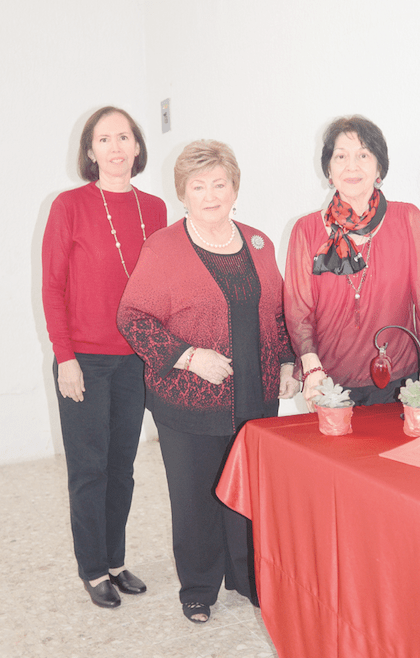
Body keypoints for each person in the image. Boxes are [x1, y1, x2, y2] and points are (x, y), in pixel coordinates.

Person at [117, 139, 299, 623]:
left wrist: (287, 363)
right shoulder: (164, 248)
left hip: (256, 396)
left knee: (250, 492)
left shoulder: (259, 243)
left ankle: (248, 577)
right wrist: (189, 356)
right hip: (190, 401)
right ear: (183, 193)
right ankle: (198, 588)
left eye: (220, 184)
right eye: (198, 186)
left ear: (235, 188)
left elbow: (277, 312)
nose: (211, 195)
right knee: (195, 496)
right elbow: (133, 317)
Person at [42, 106, 167, 608]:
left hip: (134, 361)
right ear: (90, 152)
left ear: (137, 147)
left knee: (122, 468)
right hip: (84, 361)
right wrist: (65, 357)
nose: (115, 147)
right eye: (104, 139)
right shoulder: (69, 205)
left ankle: (115, 561)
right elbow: (52, 287)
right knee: (89, 469)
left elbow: (159, 287)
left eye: (124, 137)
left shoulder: (154, 208)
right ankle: (92, 569)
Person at [284, 115, 420, 411]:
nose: (352, 166)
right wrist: (310, 366)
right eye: (341, 156)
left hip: (400, 382)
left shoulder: (406, 218)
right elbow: (298, 311)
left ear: (379, 168)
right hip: (328, 383)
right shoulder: (305, 230)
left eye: (363, 155)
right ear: (329, 170)